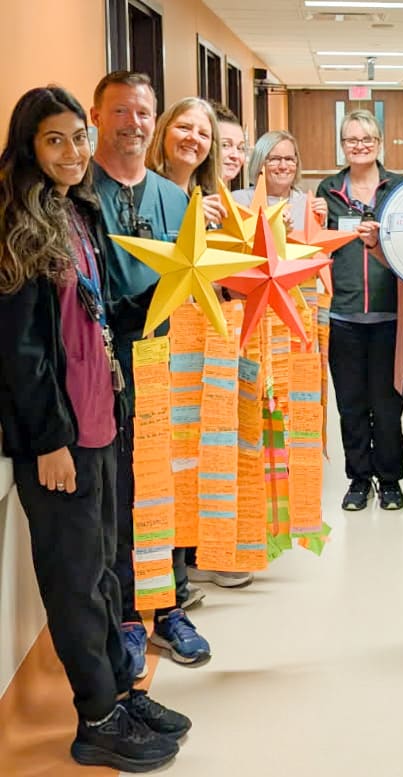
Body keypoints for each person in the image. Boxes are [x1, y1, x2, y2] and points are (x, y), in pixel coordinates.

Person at [0, 85, 189, 772]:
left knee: (110, 570)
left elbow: (110, 311)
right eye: (57, 140)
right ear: (30, 147)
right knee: (77, 578)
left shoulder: (79, 211)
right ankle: (96, 718)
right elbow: (19, 350)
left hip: (105, 420)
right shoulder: (16, 225)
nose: (75, 152)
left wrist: (181, 283)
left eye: (80, 137)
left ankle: (120, 690)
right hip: (61, 438)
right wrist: (48, 437)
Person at [90, 71, 210, 672]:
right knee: (122, 496)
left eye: (142, 113)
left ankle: (171, 609)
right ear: (96, 116)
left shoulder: (175, 199)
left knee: (171, 483)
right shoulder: (79, 194)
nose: (133, 124)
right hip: (106, 373)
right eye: (120, 112)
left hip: (169, 366)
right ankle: (131, 617)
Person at [316, 109, 403, 512]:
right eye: (351, 139)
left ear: (379, 142)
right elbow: (315, 244)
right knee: (350, 404)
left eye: (367, 138)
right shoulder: (328, 189)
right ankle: (358, 479)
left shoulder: (400, 189)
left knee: (388, 406)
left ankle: (389, 479)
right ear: (342, 145)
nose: (359, 145)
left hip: (390, 315)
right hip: (343, 314)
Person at [183, 102, 255, 590]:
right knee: (192, 442)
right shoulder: (189, 198)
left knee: (216, 439)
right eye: (222, 143)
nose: (231, 153)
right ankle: (191, 553)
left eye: (237, 146)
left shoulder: (226, 199)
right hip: (186, 340)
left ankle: (208, 545)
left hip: (223, 334)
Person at [146, 96, 224, 226]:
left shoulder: (212, 204)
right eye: (184, 127)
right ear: (162, 133)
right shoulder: (141, 192)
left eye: (203, 134)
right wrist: (191, 223)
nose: (193, 137)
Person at [234, 129, 327, 229]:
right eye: (275, 159)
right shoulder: (238, 201)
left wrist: (321, 223)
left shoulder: (310, 205)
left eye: (289, 159)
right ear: (259, 162)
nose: (283, 166)